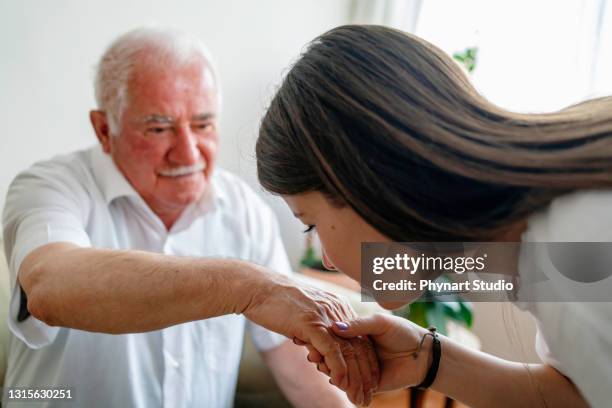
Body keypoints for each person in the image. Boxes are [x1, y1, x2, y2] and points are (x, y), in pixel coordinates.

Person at [2, 27, 378, 407]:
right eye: (159, 128)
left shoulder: (244, 209)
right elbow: (48, 289)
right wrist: (246, 286)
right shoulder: (48, 186)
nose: (187, 153)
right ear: (104, 129)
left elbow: (291, 360)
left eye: (203, 125)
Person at [256, 24, 612, 407]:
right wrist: (428, 361)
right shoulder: (541, 247)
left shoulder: (582, 246)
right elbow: (582, 396)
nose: (325, 258)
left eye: (310, 223)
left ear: (360, 180)